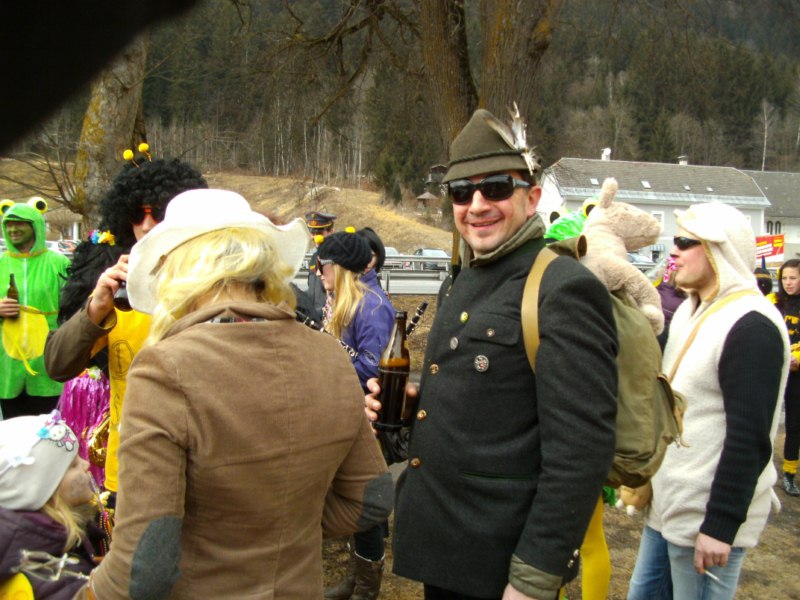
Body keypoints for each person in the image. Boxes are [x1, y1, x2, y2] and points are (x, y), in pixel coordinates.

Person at [70, 189, 391, 599]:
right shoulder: (329, 354)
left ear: (179, 273)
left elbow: (142, 570)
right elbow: (372, 497)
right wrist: (284, 522)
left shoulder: (163, 368)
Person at [366, 107, 619, 600]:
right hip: (446, 547)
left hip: (501, 562)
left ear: (532, 197)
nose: (476, 204)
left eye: (496, 187)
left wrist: (534, 576)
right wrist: (413, 409)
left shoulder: (562, 287)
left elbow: (581, 451)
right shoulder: (460, 282)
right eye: (461, 193)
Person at [627, 202, 788, 600]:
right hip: (668, 508)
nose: (674, 250)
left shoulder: (751, 326)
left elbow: (749, 438)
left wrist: (720, 525)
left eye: (686, 242)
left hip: (705, 521)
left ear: (720, 250)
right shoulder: (690, 311)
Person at [44, 157, 207, 498]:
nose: (146, 226)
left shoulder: (216, 288)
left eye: (159, 213)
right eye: (136, 213)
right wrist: (95, 308)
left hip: (202, 475)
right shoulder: (117, 296)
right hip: (131, 474)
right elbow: (58, 365)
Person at [316, 229, 394, 600]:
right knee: (350, 498)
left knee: (364, 502)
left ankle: (366, 588)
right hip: (345, 412)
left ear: (342, 268)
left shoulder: (372, 307)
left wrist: (327, 362)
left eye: (323, 265)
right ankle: (355, 577)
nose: (318, 272)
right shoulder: (344, 303)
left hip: (367, 418)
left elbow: (373, 368)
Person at [0, 411, 109, 599]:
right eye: (73, 465)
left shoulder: (47, 542)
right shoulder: (54, 579)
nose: (86, 465)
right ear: (45, 490)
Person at [1, 200, 71, 419]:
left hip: (48, 366)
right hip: (8, 368)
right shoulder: (1, 263)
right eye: (8, 224)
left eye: (19, 223)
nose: (13, 229)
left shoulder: (58, 263)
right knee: (13, 433)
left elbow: (74, 309)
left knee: (51, 432)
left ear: (35, 226)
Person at [767, 258, 800, 496]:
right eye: (785, 278)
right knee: (764, 420)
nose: (788, 283)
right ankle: (761, 468)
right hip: (774, 371)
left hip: (796, 376)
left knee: (794, 425)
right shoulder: (772, 302)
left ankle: (789, 474)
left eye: (793, 278)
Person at [306, 210, 337, 322]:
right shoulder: (314, 258)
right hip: (314, 321)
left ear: (331, 231)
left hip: (329, 320)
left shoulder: (337, 258)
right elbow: (312, 291)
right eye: (313, 233)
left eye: (319, 233)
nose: (315, 237)